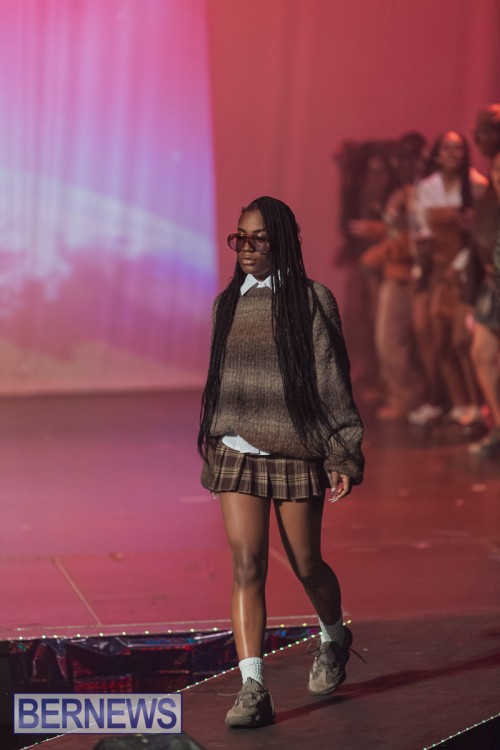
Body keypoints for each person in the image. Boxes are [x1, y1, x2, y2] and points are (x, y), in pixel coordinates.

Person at [198, 196, 364, 728]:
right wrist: (213, 442)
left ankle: (334, 636)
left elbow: (332, 379)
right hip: (237, 450)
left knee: (307, 564)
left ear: (283, 243)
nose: (246, 249)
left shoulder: (312, 300)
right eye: (239, 238)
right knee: (247, 565)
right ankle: (253, 688)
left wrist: (343, 450)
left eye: (259, 239)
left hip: (295, 451)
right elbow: (220, 383)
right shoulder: (227, 303)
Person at [409, 131, 487, 427]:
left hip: (465, 270)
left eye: (458, 148)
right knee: (437, 338)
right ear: (438, 154)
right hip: (437, 270)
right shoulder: (427, 187)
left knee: (461, 340)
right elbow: (421, 228)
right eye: (447, 148)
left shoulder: (477, 185)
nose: (453, 154)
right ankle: (456, 403)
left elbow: (479, 234)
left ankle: (476, 405)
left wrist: (458, 264)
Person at [468, 149, 500, 455]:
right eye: (497, 169)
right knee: (481, 353)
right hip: (493, 286)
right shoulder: (487, 206)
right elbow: (478, 255)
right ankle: (499, 427)